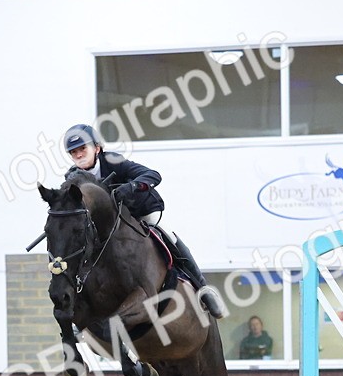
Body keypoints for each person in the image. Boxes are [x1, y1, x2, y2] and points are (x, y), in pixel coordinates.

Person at [62, 123, 226, 318]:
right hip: (108, 226)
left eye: (83, 149)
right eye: (74, 152)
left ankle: (203, 289)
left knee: (167, 234)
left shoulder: (113, 161)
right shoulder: (73, 177)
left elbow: (153, 175)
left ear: (97, 148)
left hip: (140, 211)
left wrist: (130, 187)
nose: (79, 155)